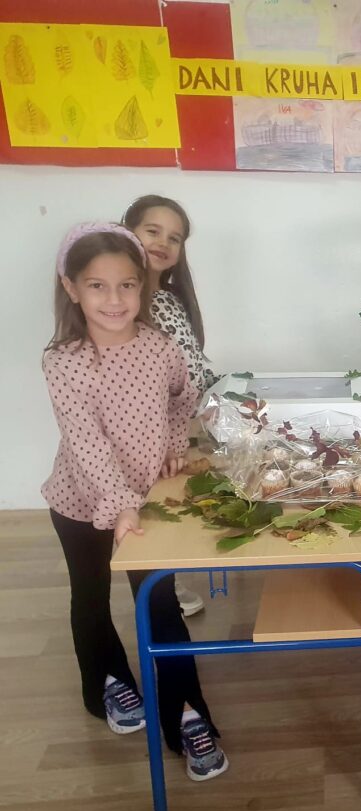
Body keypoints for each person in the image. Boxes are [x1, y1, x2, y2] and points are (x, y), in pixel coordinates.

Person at [42, 222, 228, 781]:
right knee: (91, 597)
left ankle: (186, 712)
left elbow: (181, 399)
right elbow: (87, 443)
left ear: (142, 286)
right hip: (80, 502)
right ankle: (105, 682)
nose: (115, 299)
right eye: (97, 286)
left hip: (147, 504)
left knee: (160, 603)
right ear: (72, 287)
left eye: (127, 284)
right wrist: (119, 502)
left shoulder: (158, 346)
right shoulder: (64, 361)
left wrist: (173, 446)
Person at [124, 195, 216, 617]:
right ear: (127, 232)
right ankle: (160, 594)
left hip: (175, 434)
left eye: (174, 238)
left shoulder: (170, 298)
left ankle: (166, 587)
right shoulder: (123, 305)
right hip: (145, 444)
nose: (163, 243)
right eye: (152, 231)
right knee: (148, 528)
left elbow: (192, 367)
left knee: (164, 515)